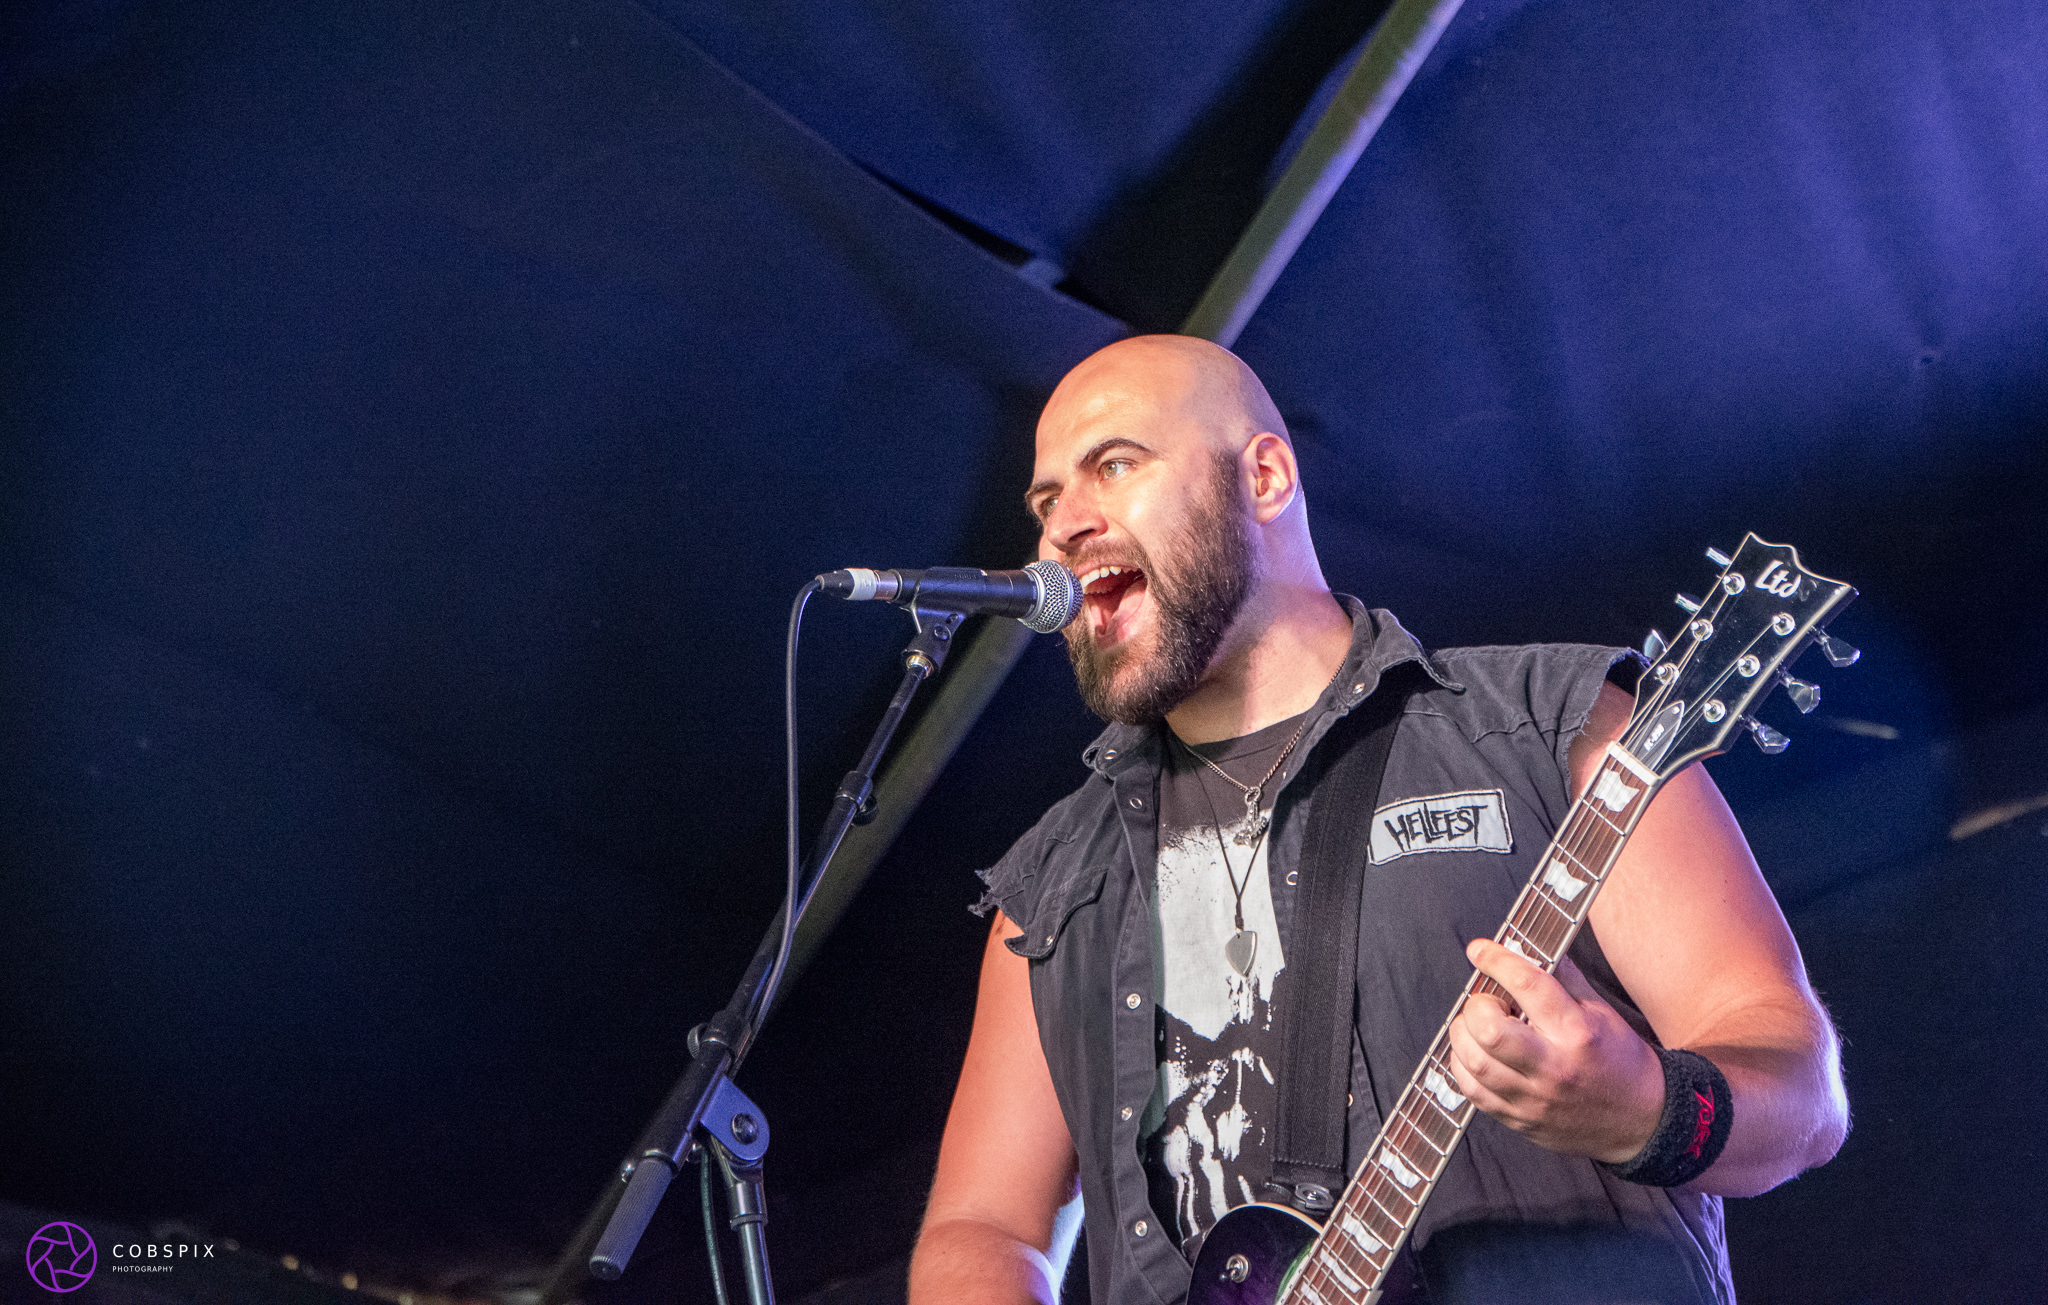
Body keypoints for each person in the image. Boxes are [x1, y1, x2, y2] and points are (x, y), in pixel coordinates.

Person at [906, 336, 1847, 1305]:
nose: (1063, 525)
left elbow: (1802, 1096)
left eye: (1113, 464)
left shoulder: (1550, 727)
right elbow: (984, 1228)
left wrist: (1645, 1110)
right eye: (1044, 501)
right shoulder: (1056, 885)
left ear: (1264, 476)